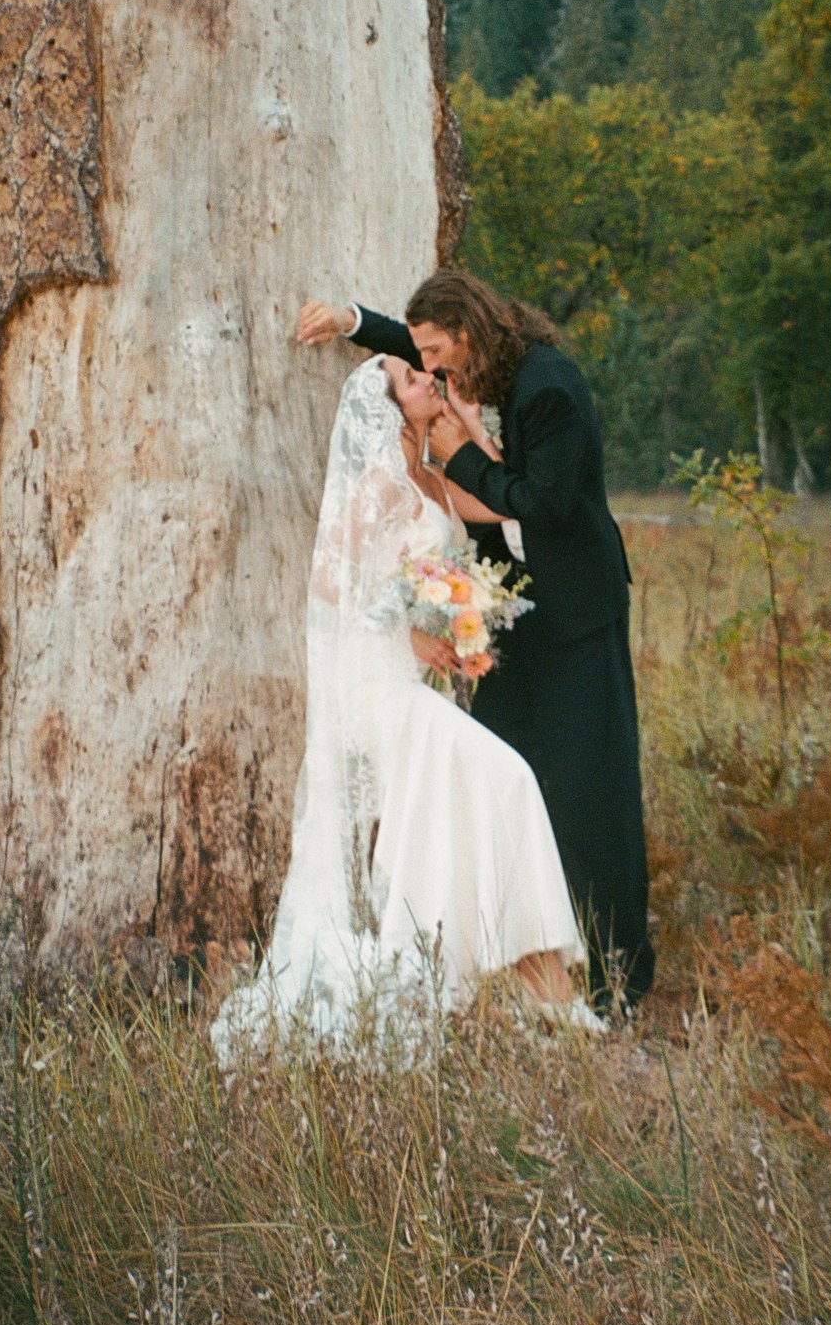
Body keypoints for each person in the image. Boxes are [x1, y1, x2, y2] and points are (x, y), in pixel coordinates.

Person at [211, 353, 593, 1061]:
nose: (429, 381)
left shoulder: (432, 476)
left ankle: (519, 982)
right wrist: (413, 631)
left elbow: (510, 499)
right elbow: (330, 580)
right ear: (390, 405)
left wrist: (472, 429)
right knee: (507, 778)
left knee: (469, 800)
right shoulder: (382, 481)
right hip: (372, 685)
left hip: (409, 683)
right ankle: (505, 981)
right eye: (413, 379)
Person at [297, 271, 655, 1011]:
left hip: (577, 613)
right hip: (514, 620)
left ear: (468, 333)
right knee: (497, 779)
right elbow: (408, 345)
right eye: (418, 363)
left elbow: (544, 506)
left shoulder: (548, 387)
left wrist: (459, 456)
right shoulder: (466, 358)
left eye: (435, 354)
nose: (429, 370)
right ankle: (501, 963)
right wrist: (349, 319)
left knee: (593, 789)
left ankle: (620, 975)